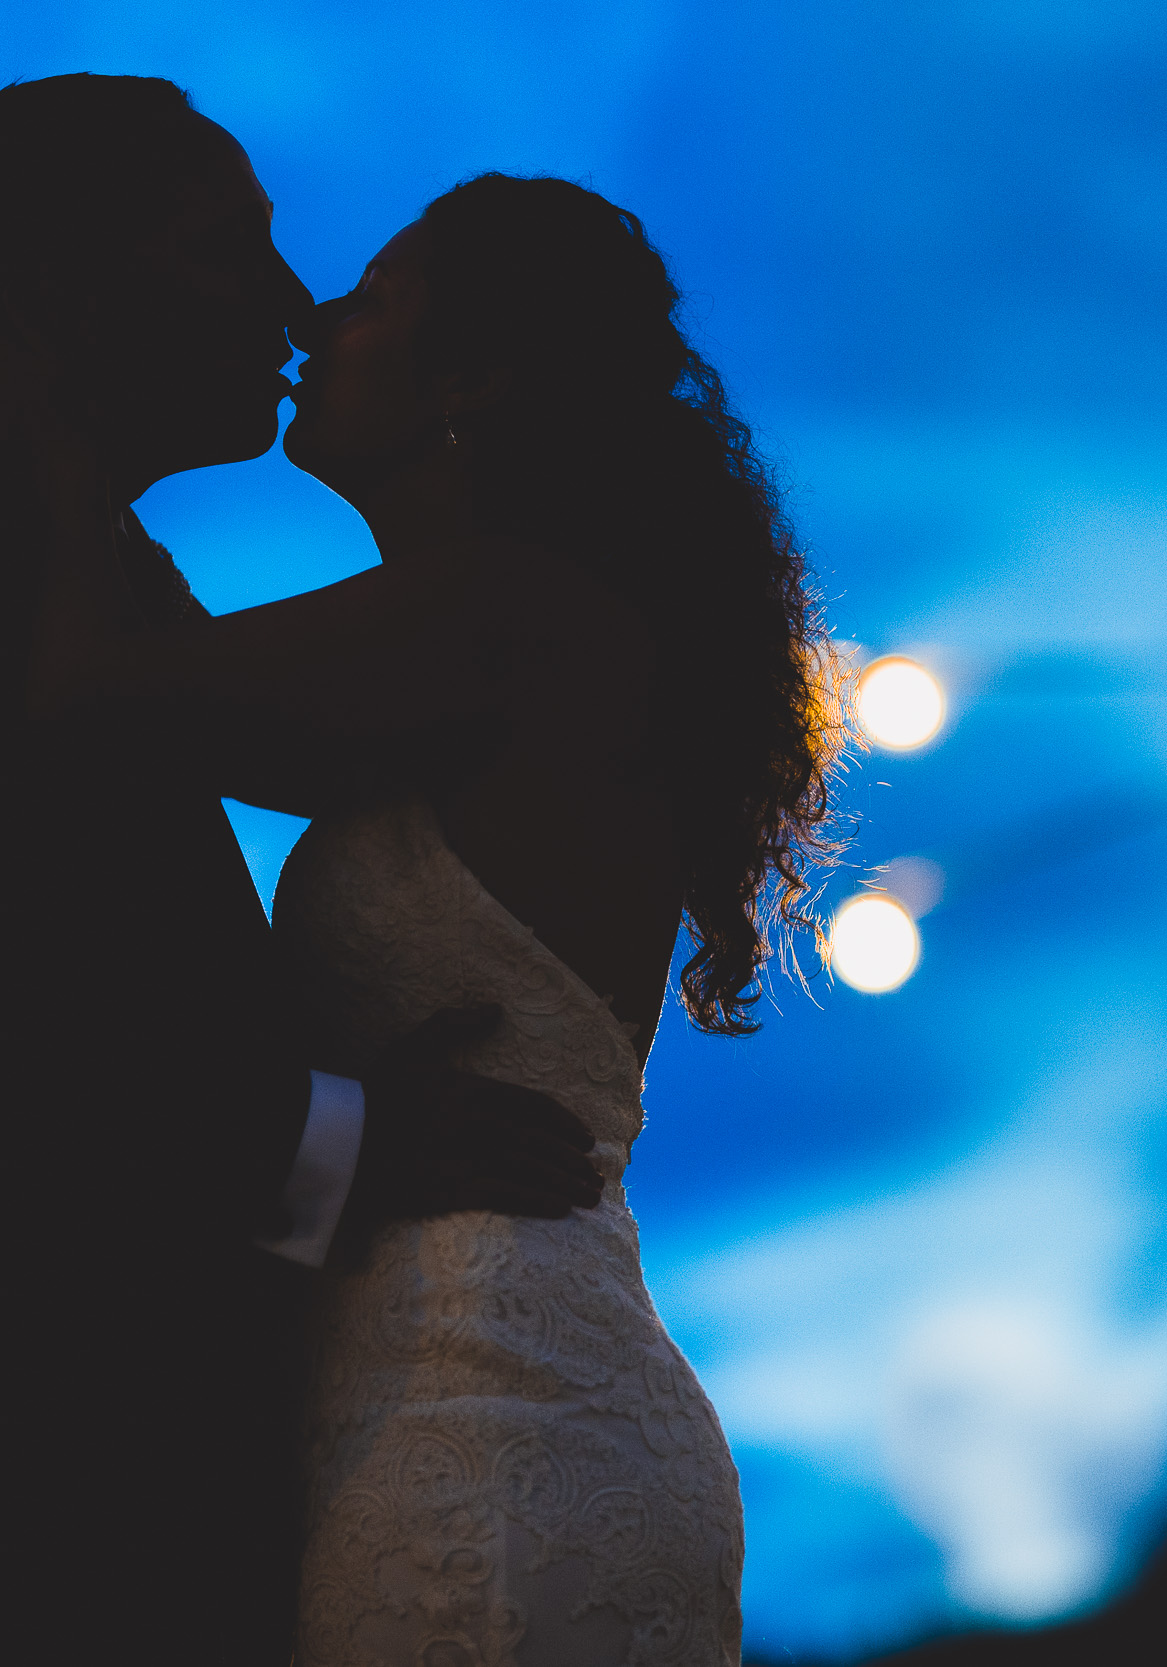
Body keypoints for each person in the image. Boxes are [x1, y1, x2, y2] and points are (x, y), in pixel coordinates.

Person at [26, 154, 841, 1660]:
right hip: (470, 1386)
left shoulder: (505, 618)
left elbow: (88, 697)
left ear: (473, 371)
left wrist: (47, 419)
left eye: (375, 293)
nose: (316, 316)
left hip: (492, 1423)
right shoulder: (461, 648)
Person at [1, 75, 603, 1663]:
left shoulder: (116, 578)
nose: (290, 300)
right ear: (56, 281)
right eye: (226, 251)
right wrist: (331, 1143)